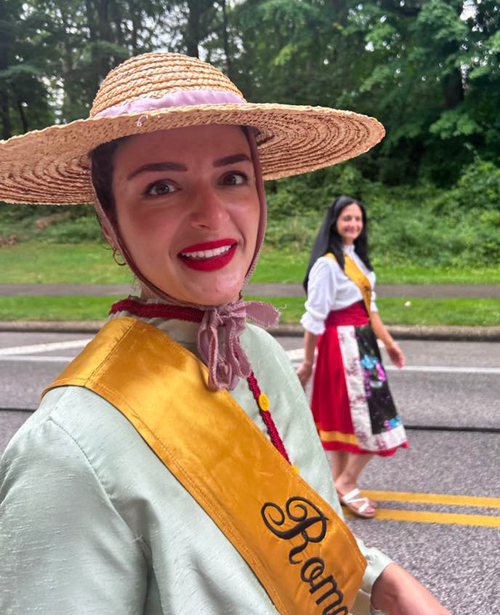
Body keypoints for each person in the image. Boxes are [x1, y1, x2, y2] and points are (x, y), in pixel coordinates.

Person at [0, 53, 449, 615]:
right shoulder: (68, 448)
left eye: (232, 178)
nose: (211, 215)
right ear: (108, 220)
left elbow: (308, 539)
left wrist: (384, 582)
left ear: (259, 192)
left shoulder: (261, 351)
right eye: (161, 187)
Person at [297, 196, 408, 519]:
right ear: (334, 222)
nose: (353, 225)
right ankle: (347, 481)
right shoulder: (328, 265)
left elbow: (370, 310)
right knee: (376, 419)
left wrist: (389, 343)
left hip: (363, 345)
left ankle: (337, 483)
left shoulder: (357, 260)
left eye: (358, 219)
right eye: (347, 219)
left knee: (352, 418)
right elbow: (314, 317)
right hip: (341, 346)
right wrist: (308, 363)